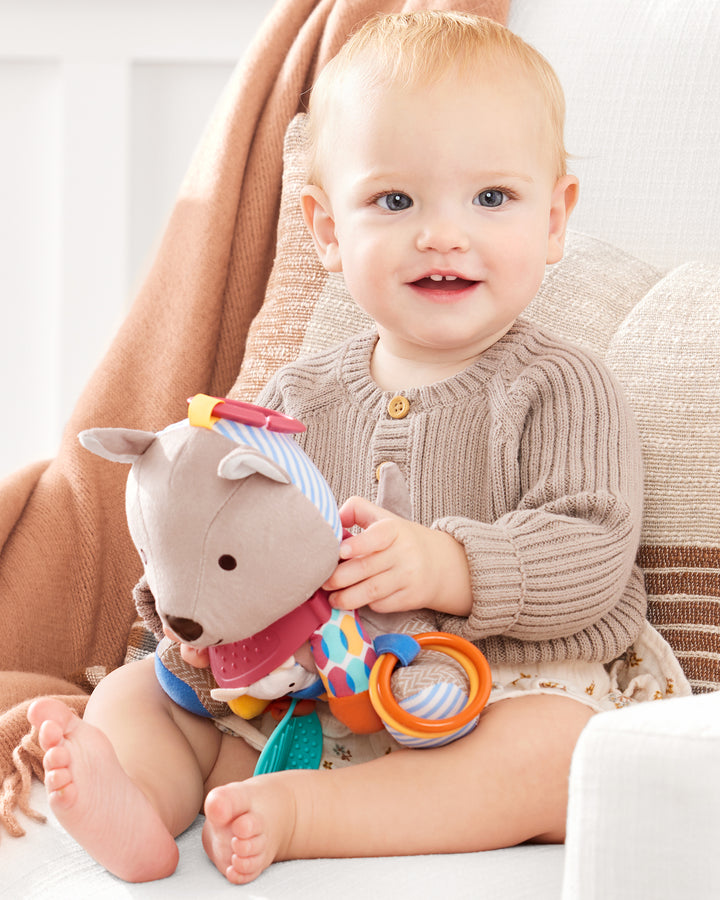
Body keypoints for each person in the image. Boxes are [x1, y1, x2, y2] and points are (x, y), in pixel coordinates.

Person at [27, 11, 688, 885]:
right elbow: (211, 530)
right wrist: (194, 619)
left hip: (494, 690)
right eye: (395, 201)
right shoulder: (292, 399)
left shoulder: (562, 386)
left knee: (561, 753)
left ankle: (309, 814)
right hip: (306, 694)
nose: (442, 234)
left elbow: (594, 551)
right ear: (328, 230)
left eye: (492, 198)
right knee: (138, 691)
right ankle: (138, 801)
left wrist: (449, 565)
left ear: (556, 218)